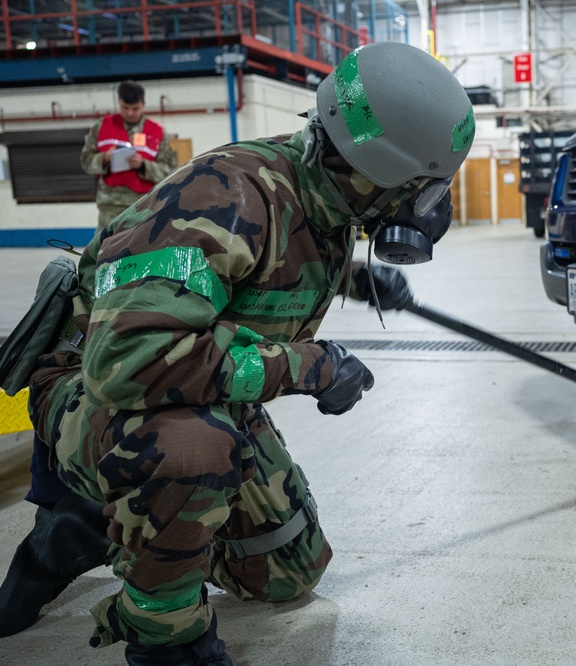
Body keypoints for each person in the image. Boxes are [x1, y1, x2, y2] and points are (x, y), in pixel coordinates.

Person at [0, 41, 474, 665]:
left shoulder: (324, 184)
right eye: (424, 191)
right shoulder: (226, 196)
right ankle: (161, 635)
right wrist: (312, 367)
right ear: (380, 171)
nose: (425, 208)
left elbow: (268, 264)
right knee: (194, 449)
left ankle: (118, 518)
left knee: (285, 572)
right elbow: (129, 362)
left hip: (186, 382)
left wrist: (359, 279)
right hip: (97, 391)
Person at [80, 80, 179, 232]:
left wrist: (143, 165)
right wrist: (106, 157)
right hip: (110, 207)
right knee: (107, 251)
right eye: (125, 108)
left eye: (135, 108)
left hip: (145, 206)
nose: (130, 113)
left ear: (143, 104)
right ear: (119, 102)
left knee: (142, 252)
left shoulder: (157, 132)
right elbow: (86, 162)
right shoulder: (101, 127)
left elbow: (170, 170)